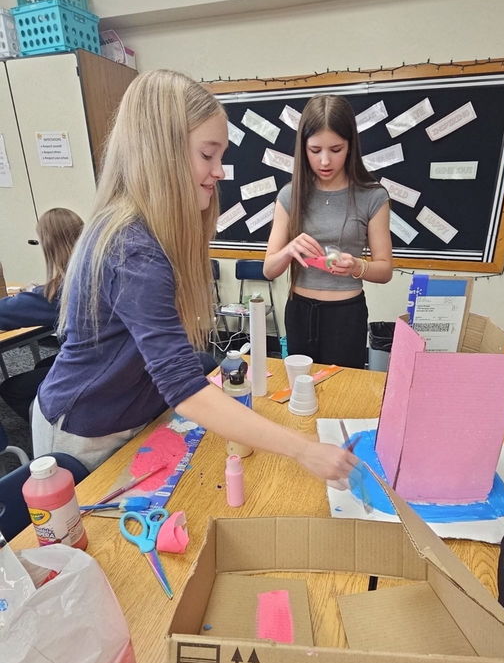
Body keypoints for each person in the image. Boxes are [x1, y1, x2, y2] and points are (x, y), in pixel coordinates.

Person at [32, 70, 355, 485]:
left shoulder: (150, 233)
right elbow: (183, 386)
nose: (220, 171)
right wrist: (304, 450)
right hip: (87, 429)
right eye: (208, 155)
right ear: (160, 153)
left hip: (131, 412)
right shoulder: (133, 248)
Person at [264, 94, 394, 369]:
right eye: (315, 150)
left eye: (336, 149)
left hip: (346, 314)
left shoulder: (373, 196)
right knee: (301, 390)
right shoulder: (290, 195)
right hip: (299, 311)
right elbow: (269, 269)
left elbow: (385, 270)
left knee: (344, 393)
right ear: (303, 148)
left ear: (350, 147)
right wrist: (289, 250)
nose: (325, 161)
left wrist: (357, 266)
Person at [0, 208, 84, 421]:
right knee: (42, 366)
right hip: (110, 360)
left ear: (49, 246)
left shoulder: (58, 292)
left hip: (87, 370)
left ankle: (50, 428)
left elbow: (5, 312)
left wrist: (32, 294)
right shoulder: (91, 274)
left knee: (12, 388)